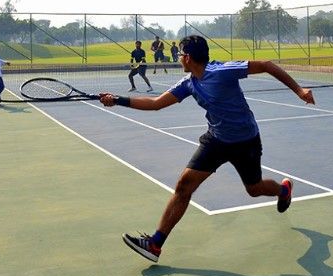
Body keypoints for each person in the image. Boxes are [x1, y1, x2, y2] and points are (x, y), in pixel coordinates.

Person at [99, 35, 315, 263]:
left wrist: (299, 90)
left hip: (245, 140)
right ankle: (155, 244)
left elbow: (266, 65)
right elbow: (155, 104)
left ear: (188, 57)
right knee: (184, 186)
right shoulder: (189, 83)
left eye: (181, 54)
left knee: (254, 188)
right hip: (216, 141)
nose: (179, 58)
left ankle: (283, 191)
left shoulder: (222, 71)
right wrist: (117, 100)